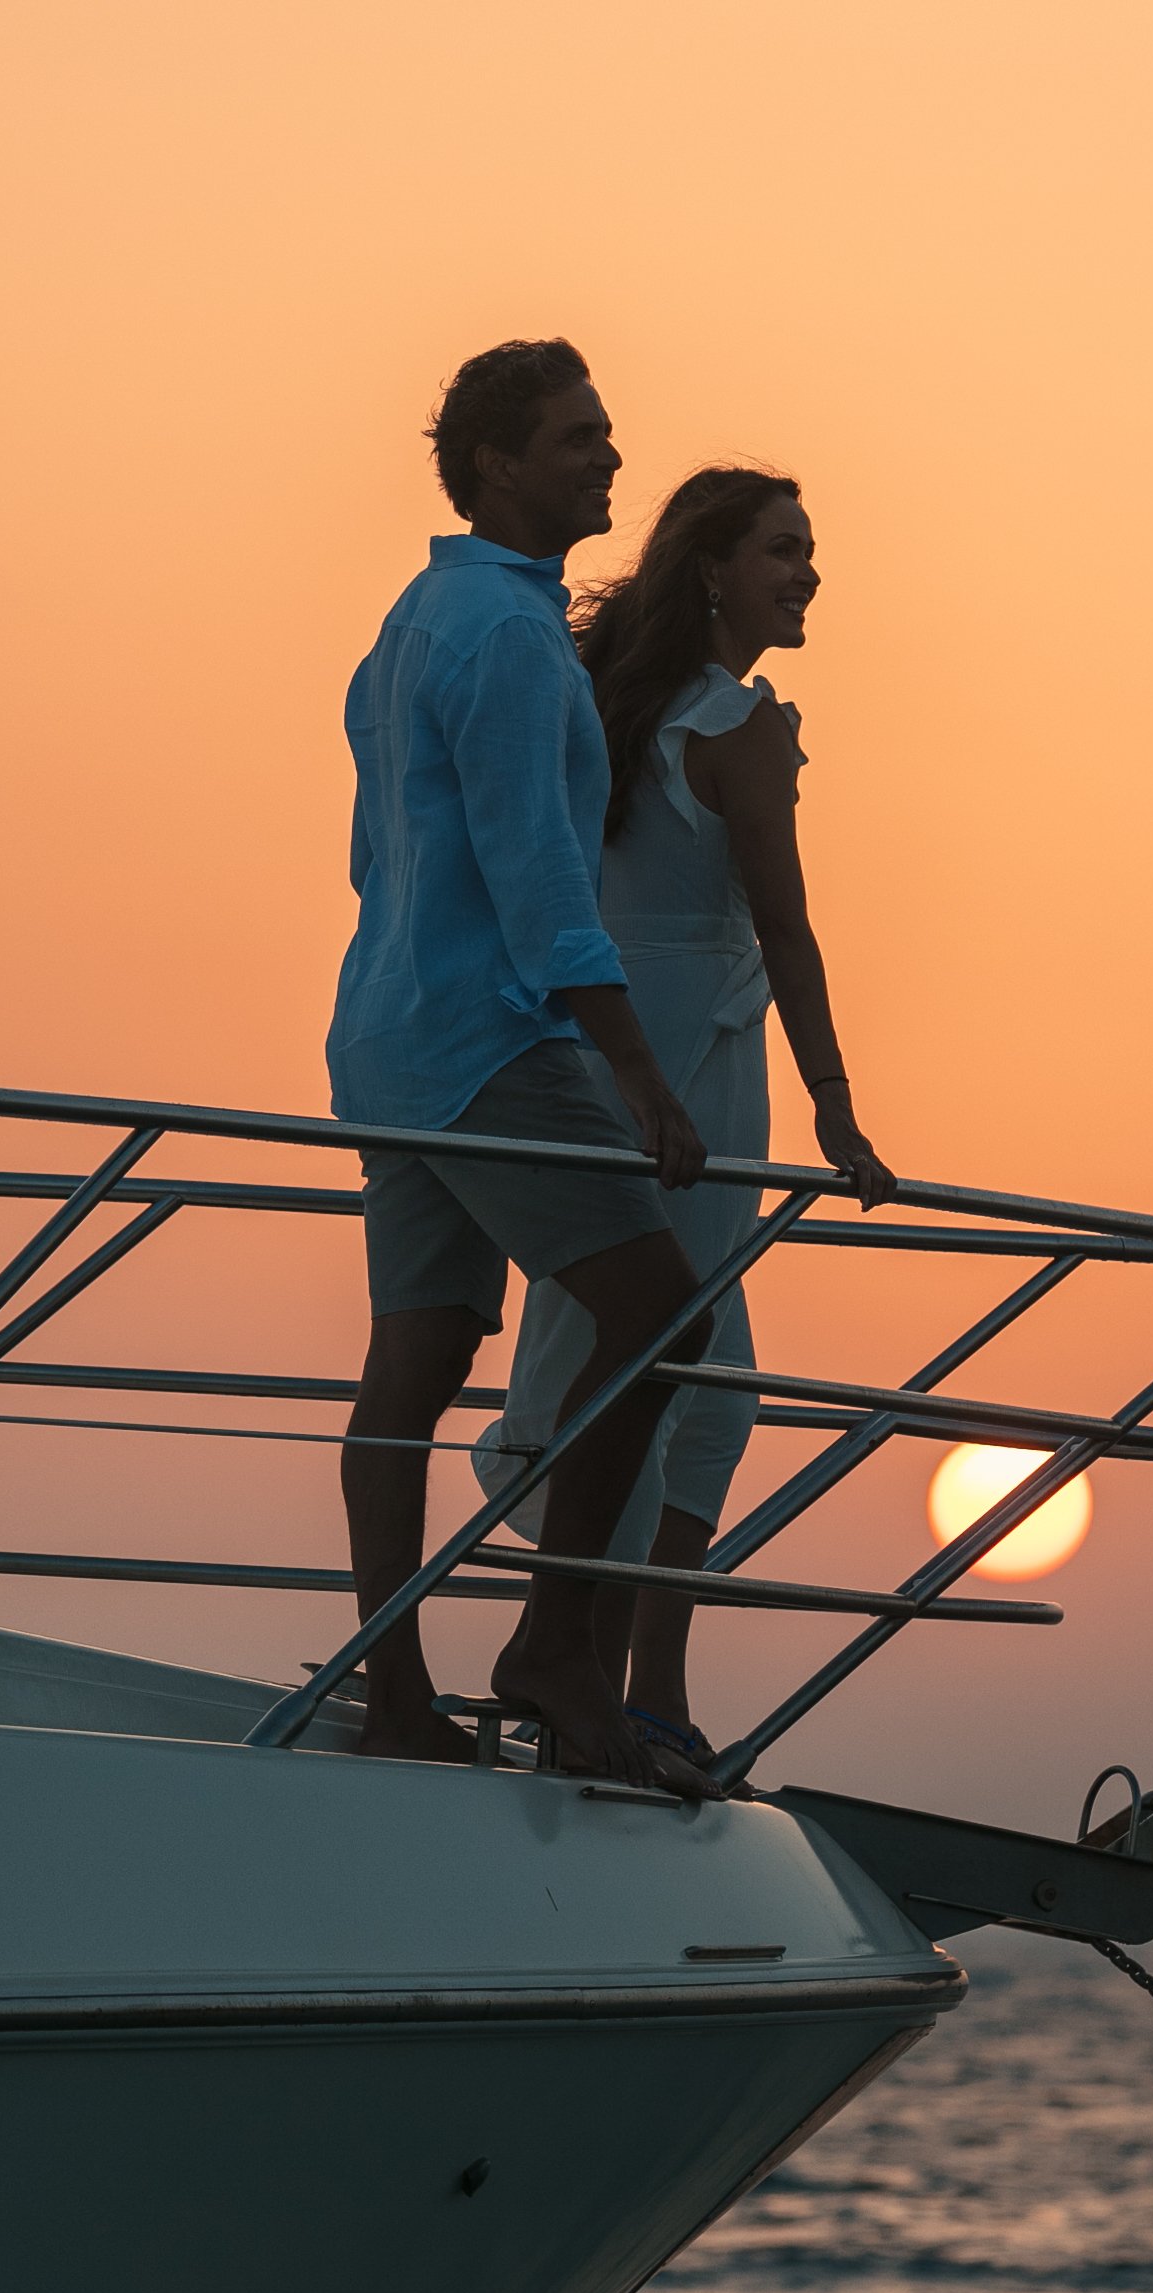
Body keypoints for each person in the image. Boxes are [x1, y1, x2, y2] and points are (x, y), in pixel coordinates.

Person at [326, 338, 715, 1790]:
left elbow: (379, 850)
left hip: (388, 1034)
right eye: (577, 437)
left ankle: (398, 1688)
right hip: (488, 1037)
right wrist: (643, 1075)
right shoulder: (497, 636)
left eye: (607, 433)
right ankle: (557, 1643)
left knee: (417, 1362)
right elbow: (539, 876)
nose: (608, 456)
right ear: (496, 461)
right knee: (662, 1315)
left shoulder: (420, 619)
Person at [470, 466, 895, 1778]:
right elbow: (786, 926)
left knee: (670, 1368)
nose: (807, 570)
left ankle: (621, 1676)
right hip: (696, 1067)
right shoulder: (733, 726)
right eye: (783, 548)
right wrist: (837, 1105)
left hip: (610, 1048)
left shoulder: (617, 707)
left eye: (811, 549)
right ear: (711, 567)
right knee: (689, 1378)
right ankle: (627, 1682)